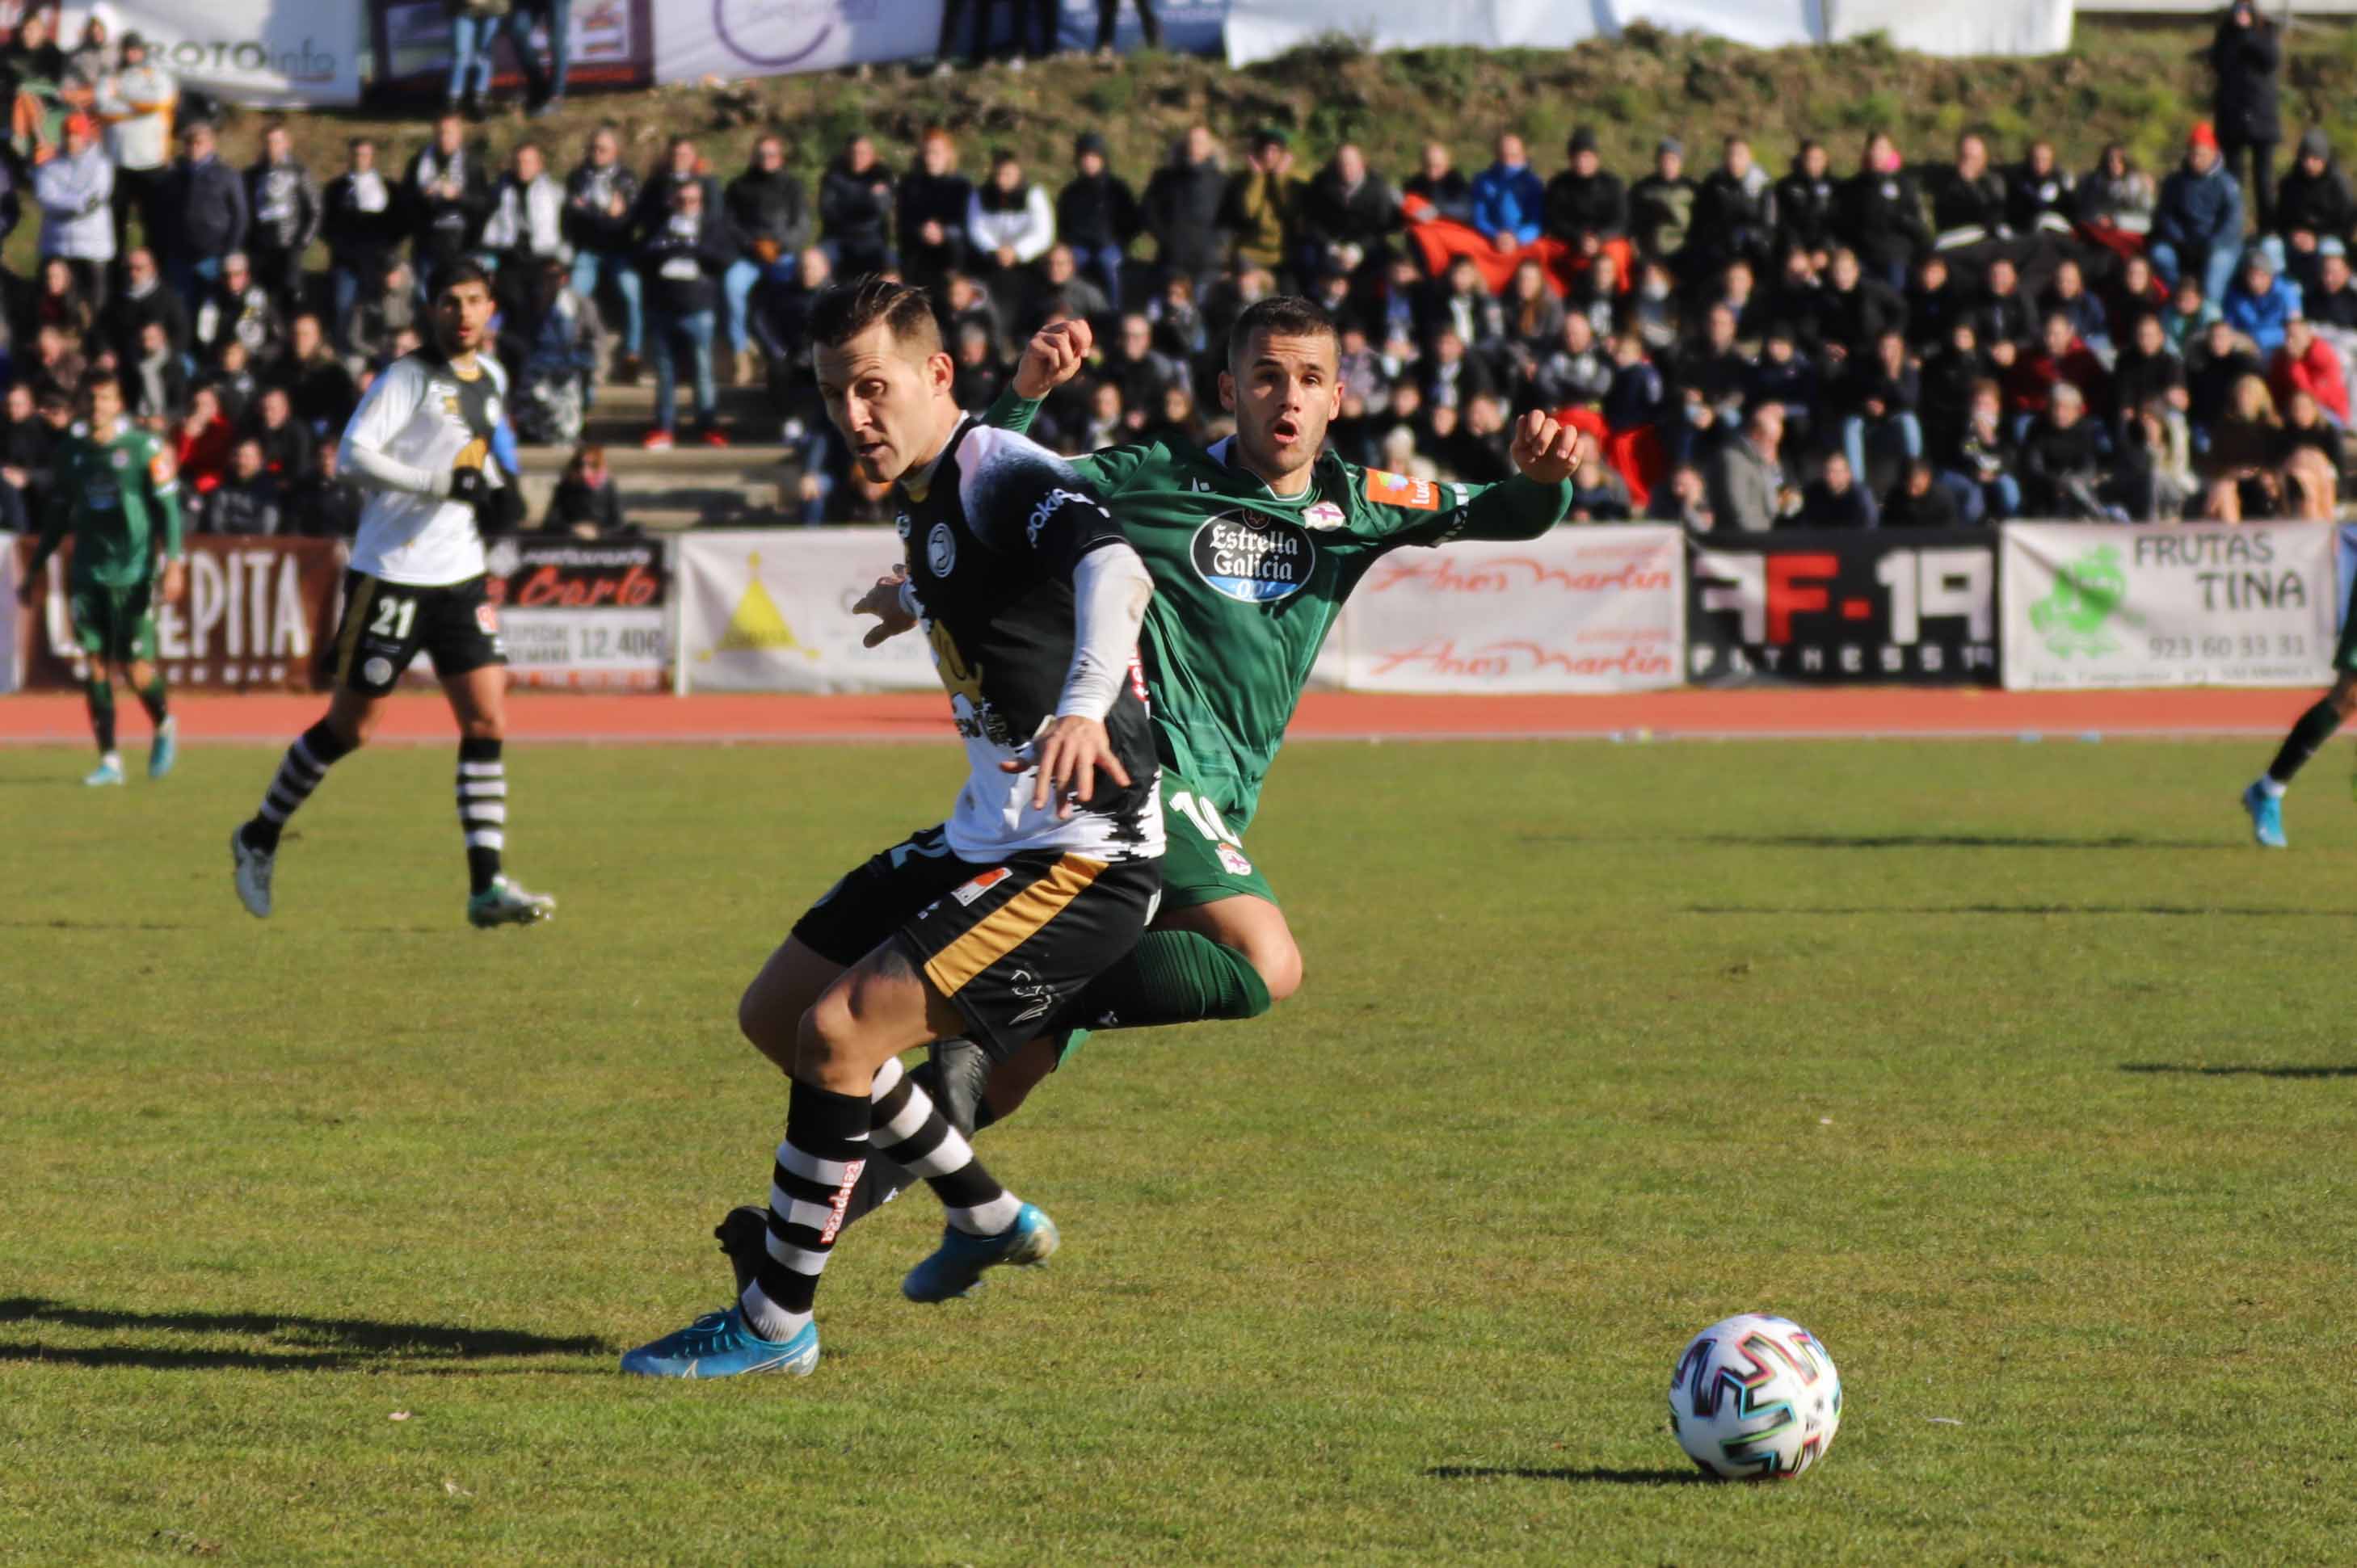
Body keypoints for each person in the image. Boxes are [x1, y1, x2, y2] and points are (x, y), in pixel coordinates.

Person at [705, 296, 1584, 1284]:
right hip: (1137, 776)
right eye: (1262, 377)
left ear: (1338, 398)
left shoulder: (1359, 502)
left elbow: (1502, 510)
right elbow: (991, 489)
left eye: (1304, 381)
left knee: (1015, 1061)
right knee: (1266, 964)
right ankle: (840, 1226)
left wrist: (1545, 481)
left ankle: (811, 1235)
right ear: (1227, 390)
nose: (1283, 399)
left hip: (1213, 802)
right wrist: (1012, 421)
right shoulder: (1152, 476)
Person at [625, 275, 1164, 1381]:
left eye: (872, 388)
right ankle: (981, 1209)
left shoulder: (999, 467)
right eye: (834, 395)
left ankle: (776, 1323)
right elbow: (973, 554)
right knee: (778, 1013)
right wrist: (910, 595)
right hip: (990, 832)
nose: (853, 416)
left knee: (838, 1036)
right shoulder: (930, 482)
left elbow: (1116, 569)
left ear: (934, 378)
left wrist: (1079, 704)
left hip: (1084, 853)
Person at [228, 261, 553, 930]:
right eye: (449, 302)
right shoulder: (406, 378)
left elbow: (475, 453)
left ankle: (485, 885)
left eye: (473, 301)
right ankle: (259, 834)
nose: (462, 314)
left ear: (490, 307)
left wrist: (497, 490)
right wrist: (437, 484)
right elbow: (352, 456)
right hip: (391, 573)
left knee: (488, 718)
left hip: (458, 575)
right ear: (430, 310)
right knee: (353, 728)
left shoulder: (490, 377)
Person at [15, 375, 185, 787]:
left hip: (134, 572)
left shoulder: (144, 448)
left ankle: (163, 723)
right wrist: (34, 570)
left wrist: (175, 562)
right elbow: (57, 518)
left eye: (106, 399)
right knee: (93, 665)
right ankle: (110, 759)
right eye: (91, 399)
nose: (97, 407)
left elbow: (170, 510)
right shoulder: (71, 453)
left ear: (119, 403)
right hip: (88, 571)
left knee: (134, 668)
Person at [638, 177, 735, 450]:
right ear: (673, 201)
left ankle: (708, 425)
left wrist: (693, 249)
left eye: (693, 200)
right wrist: (669, 248)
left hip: (698, 307)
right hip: (662, 308)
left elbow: (724, 259)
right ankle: (664, 427)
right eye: (681, 200)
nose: (687, 205)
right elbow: (643, 256)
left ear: (701, 202)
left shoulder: (712, 226)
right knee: (665, 373)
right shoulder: (661, 225)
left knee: (703, 371)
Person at [723, 134, 810, 386]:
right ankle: (740, 353)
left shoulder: (793, 186)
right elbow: (729, 224)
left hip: (782, 253)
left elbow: (802, 225)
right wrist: (752, 245)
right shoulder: (738, 186)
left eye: (771, 155)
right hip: (749, 255)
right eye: (761, 155)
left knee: (788, 295)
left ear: (780, 157)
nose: (766, 160)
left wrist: (780, 245)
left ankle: (789, 351)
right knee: (732, 286)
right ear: (754, 156)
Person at [565, 125, 644, 378]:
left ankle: (633, 352)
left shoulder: (628, 179)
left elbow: (625, 222)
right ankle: (572, 349)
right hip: (588, 250)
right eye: (593, 148)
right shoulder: (577, 177)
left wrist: (591, 212)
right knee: (574, 296)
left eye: (603, 149)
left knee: (632, 291)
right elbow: (572, 215)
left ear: (615, 152)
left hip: (620, 250)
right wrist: (604, 215)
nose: (596, 153)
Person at [94, 30, 173, 262]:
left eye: (135, 49)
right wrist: (138, 110)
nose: (131, 54)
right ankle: (117, 279)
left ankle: (153, 272)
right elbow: (103, 108)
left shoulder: (156, 75)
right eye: (127, 49)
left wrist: (120, 95)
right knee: (115, 228)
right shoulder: (110, 76)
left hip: (152, 163)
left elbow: (159, 101)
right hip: (119, 163)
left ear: (143, 51)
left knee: (154, 226)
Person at [156, 120, 246, 315]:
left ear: (210, 144)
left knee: (212, 309)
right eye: (188, 142)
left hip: (213, 254)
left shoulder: (227, 175)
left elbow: (240, 216)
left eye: (199, 142)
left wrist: (229, 250)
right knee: (180, 309)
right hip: (180, 255)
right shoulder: (175, 175)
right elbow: (163, 213)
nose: (193, 147)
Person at [2151, 124, 2245, 311]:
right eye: (2193, 154)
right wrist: (2181, 240)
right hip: (2184, 243)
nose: (2196, 159)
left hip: (2219, 245)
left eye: (2201, 154)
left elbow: (2233, 222)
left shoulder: (2227, 184)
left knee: (2216, 270)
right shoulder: (2175, 182)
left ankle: (2210, 313)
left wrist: (2211, 244)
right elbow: (2165, 214)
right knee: (2160, 253)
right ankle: (2179, 300)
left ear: (2213, 153)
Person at [322, 139, 403, 355]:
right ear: (349, 157)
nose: (361, 159)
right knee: (344, 307)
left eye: (366, 155)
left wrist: (389, 256)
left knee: (379, 311)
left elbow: (398, 225)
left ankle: (379, 356)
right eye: (357, 155)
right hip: (346, 261)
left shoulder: (388, 188)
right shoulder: (335, 189)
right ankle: (343, 355)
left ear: (373, 157)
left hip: (378, 262)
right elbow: (326, 226)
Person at [2209, 0, 2283, 233]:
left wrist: (2249, 34)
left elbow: (2271, 60)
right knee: (2233, 178)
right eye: (2237, 11)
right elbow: (2217, 61)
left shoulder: (2264, 32)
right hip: (2232, 116)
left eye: (2244, 11)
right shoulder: (2226, 36)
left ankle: (2267, 228)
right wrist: (2236, 36)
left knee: (2263, 179)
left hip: (2261, 117)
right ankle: (2234, 226)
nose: (2240, 15)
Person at [406, 112, 493, 303]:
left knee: (460, 298)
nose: (444, 138)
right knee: (427, 300)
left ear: (459, 135)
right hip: (428, 245)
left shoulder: (472, 164)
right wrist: (424, 197)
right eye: (440, 133)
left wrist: (458, 196)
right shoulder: (419, 163)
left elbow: (484, 205)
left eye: (449, 133)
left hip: (462, 244)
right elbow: (406, 204)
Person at [34, 111, 112, 311]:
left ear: (86, 136)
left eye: (77, 134)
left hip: (92, 249)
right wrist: (77, 202)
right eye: (68, 134)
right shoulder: (50, 166)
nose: (72, 139)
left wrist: (63, 202)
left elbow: (95, 199)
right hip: (57, 246)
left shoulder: (101, 165)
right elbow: (45, 198)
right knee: (55, 304)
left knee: (94, 305)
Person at [242, 121, 321, 317]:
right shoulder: (251, 175)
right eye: (268, 142)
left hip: (288, 244)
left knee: (290, 296)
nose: (272, 147)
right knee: (257, 297)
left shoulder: (299, 172)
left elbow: (315, 210)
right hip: (260, 247)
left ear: (287, 143)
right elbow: (244, 211)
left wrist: (301, 243)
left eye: (277, 142)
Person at [1056, 132, 1139, 313]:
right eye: (1084, 157)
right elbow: (1063, 224)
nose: (1088, 162)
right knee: (1066, 265)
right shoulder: (1071, 192)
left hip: (1110, 246)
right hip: (1079, 247)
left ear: (1102, 159)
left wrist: (1121, 243)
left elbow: (1132, 222)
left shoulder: (1118, 189)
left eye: (1093, 157)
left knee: (1109, 264)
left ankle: (1115, 312)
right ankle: (1066, 311)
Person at [1142, 125, 1227, 290]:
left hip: (1208, 260)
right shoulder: (1166, 178)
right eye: (1191, 142)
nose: (1194, 147)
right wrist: (1166, 238)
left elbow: (1230, 218)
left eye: (1200, 142)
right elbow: (1149, 211)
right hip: (1172, 259)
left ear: (1210, 147)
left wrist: (1219, 243)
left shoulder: (1222, 182)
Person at [896, 127, 972, 294]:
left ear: (948, 155)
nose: (930, 158)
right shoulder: (909, 185)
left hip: (950, 258)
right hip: (916, 257)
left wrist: (944, 233)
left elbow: (967, 226)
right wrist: (920, 230)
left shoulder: (962, 187)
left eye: (936, 153)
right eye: (927, 153)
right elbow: (902, 223)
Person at [818, 134, 895, 279]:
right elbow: (828, 212)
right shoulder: (833, 176)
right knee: (816, 262)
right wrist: (866, 200)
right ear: (846, 154)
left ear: (872, 155)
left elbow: (882, 208)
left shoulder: (882, 175)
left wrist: (875, 199)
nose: (858, 157)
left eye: (863, 153)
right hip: (838, 237)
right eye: (854, 152)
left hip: (873, 239)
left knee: (893, 267)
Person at [444, 0, 512, 120]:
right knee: (461, 54)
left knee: (485, 53)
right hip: (462, 9)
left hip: (493, 8)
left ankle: (480, 100)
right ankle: (454, 102)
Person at [548, 442, 626, 536]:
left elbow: (618, 524)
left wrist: (597, 532)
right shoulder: (565, 487)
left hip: (602, 543)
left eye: (592, 465)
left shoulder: (608, 487)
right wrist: (574, 529)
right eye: (579, 465)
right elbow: (550, 523)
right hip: (570, 541)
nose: (584, 470)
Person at [286, 440, 361, 538]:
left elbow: (355, 523)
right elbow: (295, 520)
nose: (326, 461)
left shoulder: (350, 488)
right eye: (322, 456)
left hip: (341, 545)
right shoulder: (304, 486)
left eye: (331, 456)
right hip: (310, 545)